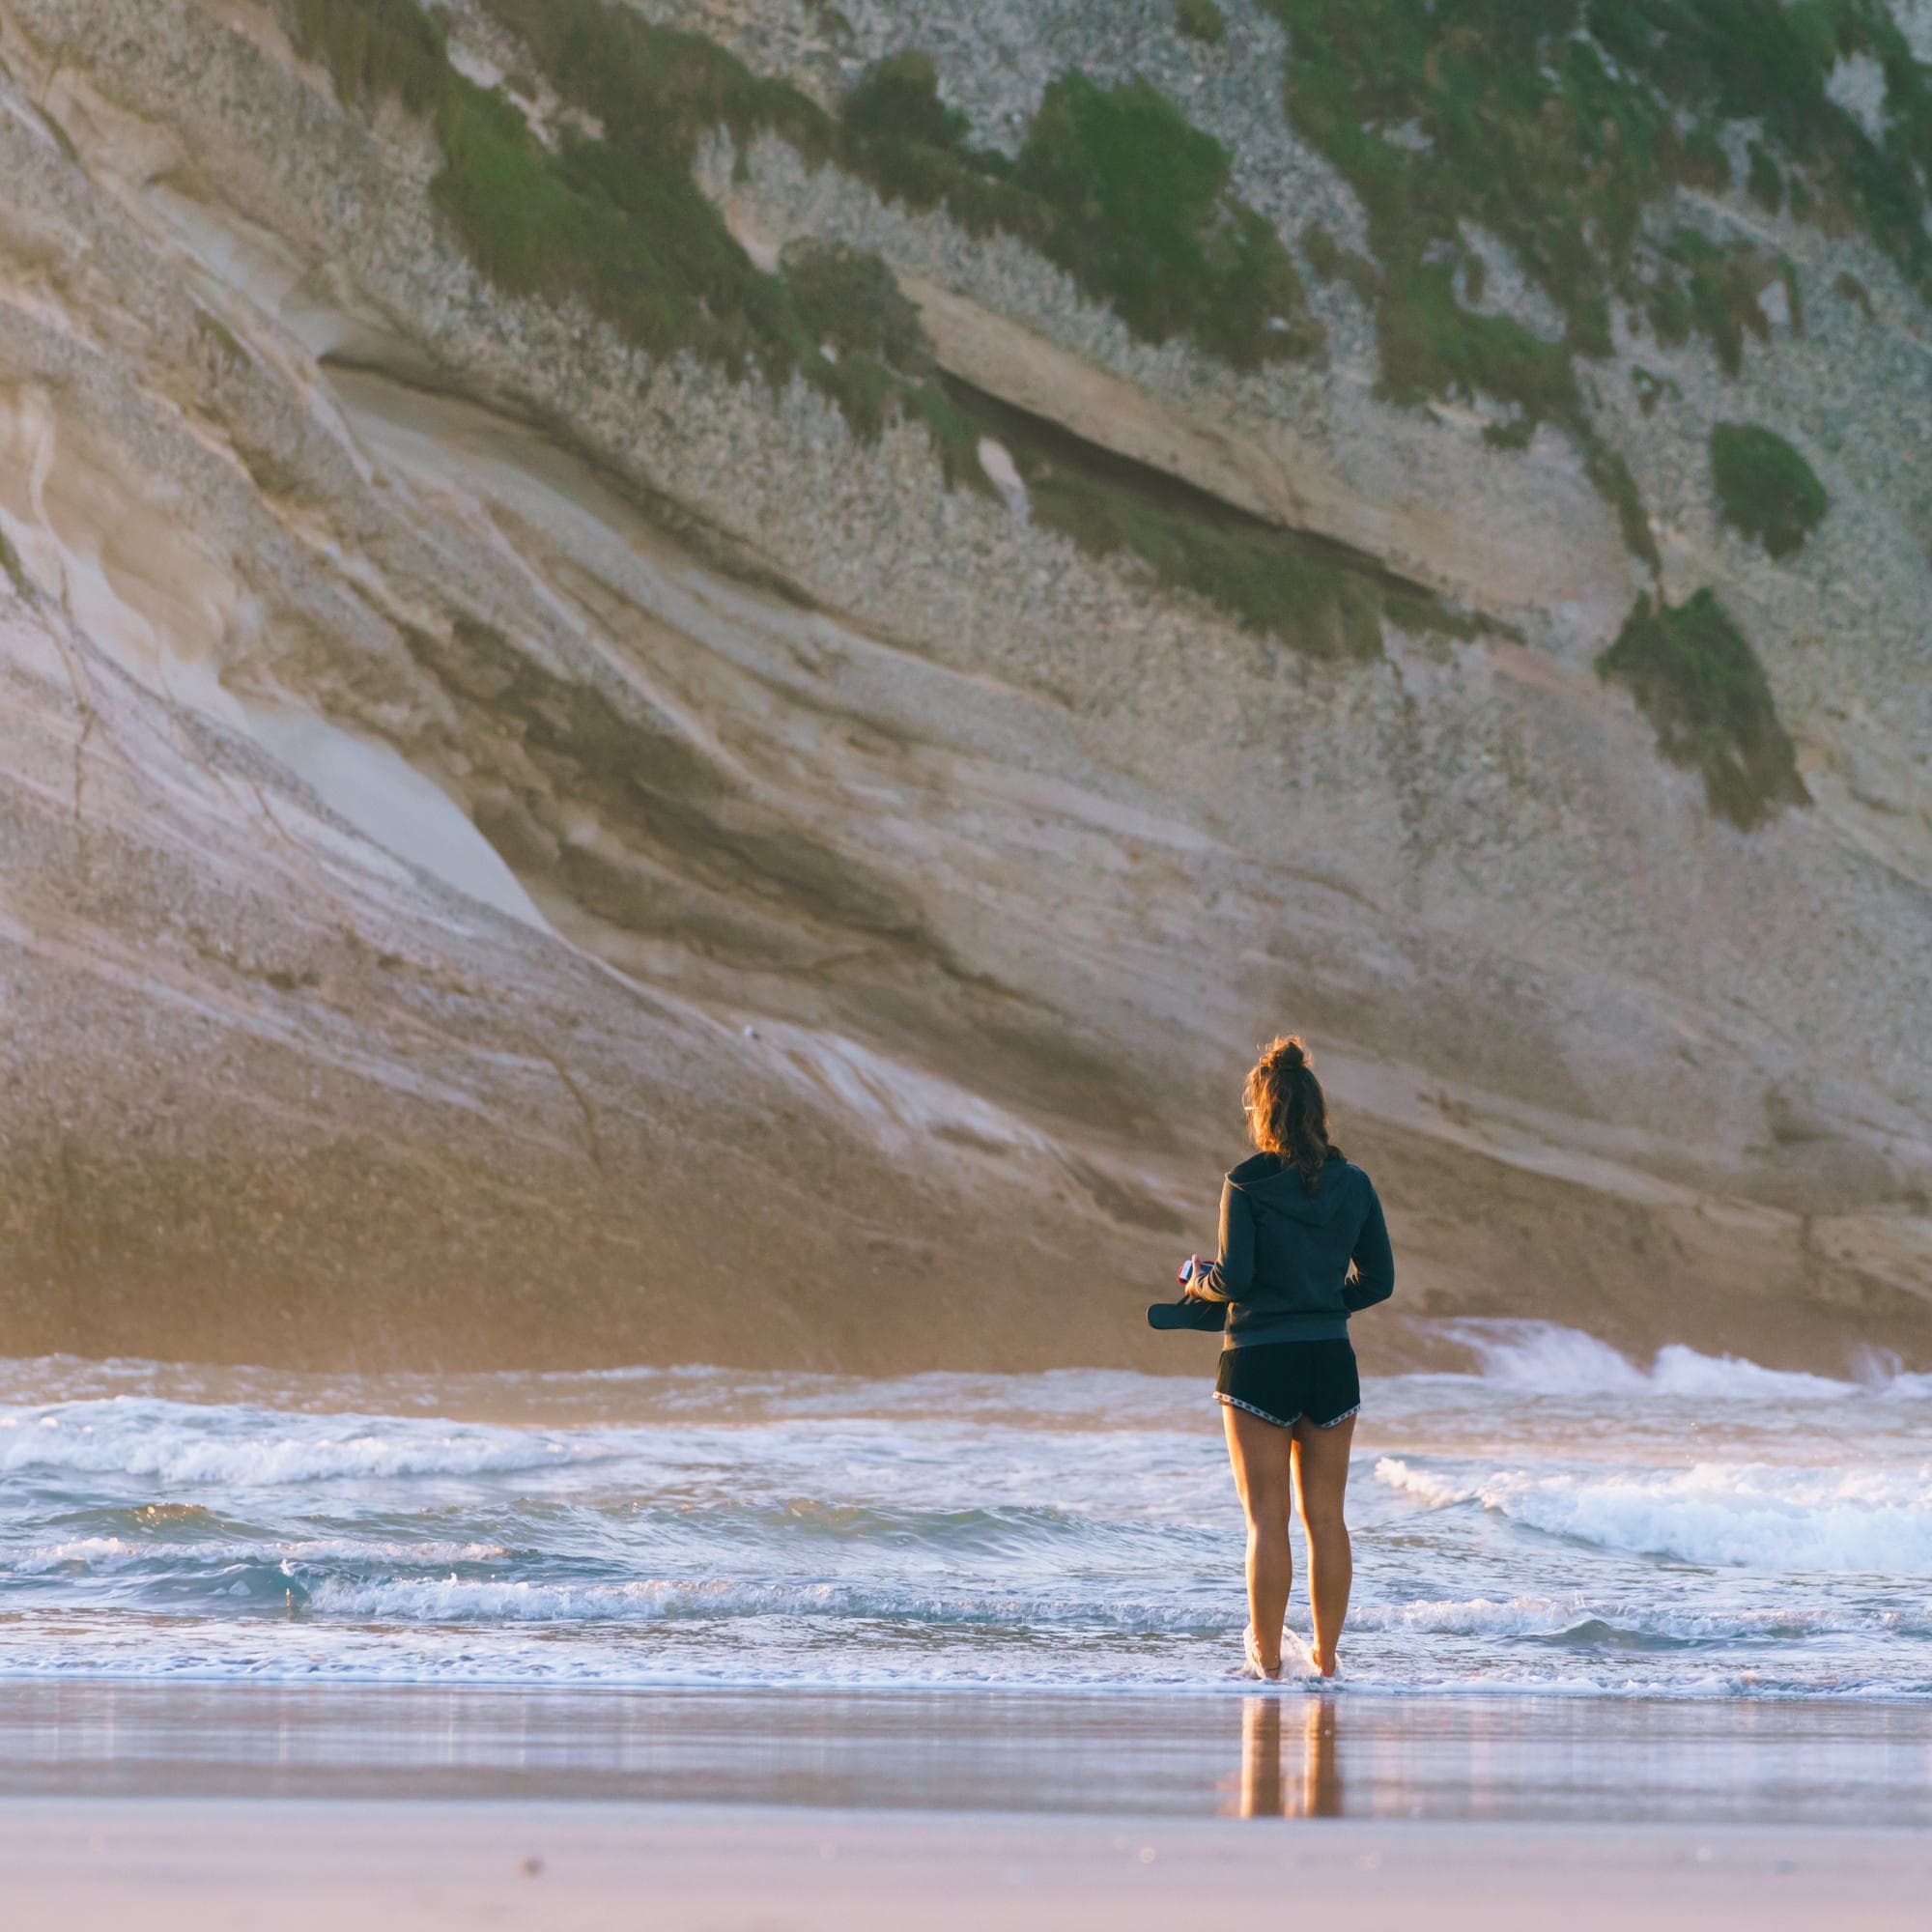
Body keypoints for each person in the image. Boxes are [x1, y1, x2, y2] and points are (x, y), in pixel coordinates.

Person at [1179, 1035, 1394, 1681]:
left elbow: (1237, 1279)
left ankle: (1269, 1665)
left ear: (1262, 1111)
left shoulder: (1245, 1184)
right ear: (1316, 1108)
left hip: (1258, 1361)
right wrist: (1322, 1304)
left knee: (1266, 1523)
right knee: (1327, 1519)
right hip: (1330, 1360)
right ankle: (1326, 1662)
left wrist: (1197, 1279)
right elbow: (1378, 1280)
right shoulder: (1353, 1183)